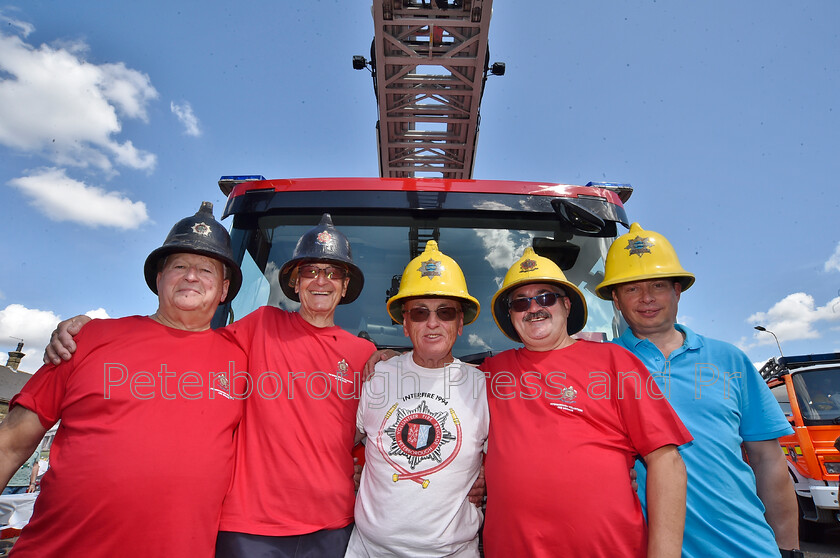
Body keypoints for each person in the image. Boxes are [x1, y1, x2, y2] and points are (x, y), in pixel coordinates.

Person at [0, 202, 246, 557]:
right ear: (159, 279)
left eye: (206, 269)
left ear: (223, 290)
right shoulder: (87, 339)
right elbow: (10, 444)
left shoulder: (243, 359)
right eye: (179, 266)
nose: (191, 276)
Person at [595, 222, 801, 558]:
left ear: (678, 290)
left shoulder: (729, 359)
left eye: (658, 286)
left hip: (743, 546)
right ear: (616, 300)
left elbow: (768, 461)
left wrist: (789, 549)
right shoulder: (599, 365)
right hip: (644, 548)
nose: (646, 298)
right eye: (631, 289)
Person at [480, 248, 691, 558]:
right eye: (520, 303)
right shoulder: (489, 372)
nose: (533, 308)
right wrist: (386, 359)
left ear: (567, 305)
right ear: (510, 316)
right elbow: (430, 379)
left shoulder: (615, 361)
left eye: (545, 297)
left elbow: (666, 460)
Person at [346, 241, 488, 557]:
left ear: (461, 323)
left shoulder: (485, 387)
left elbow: (515, 461)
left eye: (446, 312)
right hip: (369, 551)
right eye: (420, 313)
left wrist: (486, 474)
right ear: (406, 324)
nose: (433, 323)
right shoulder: (376, 376)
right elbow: (335, 444)